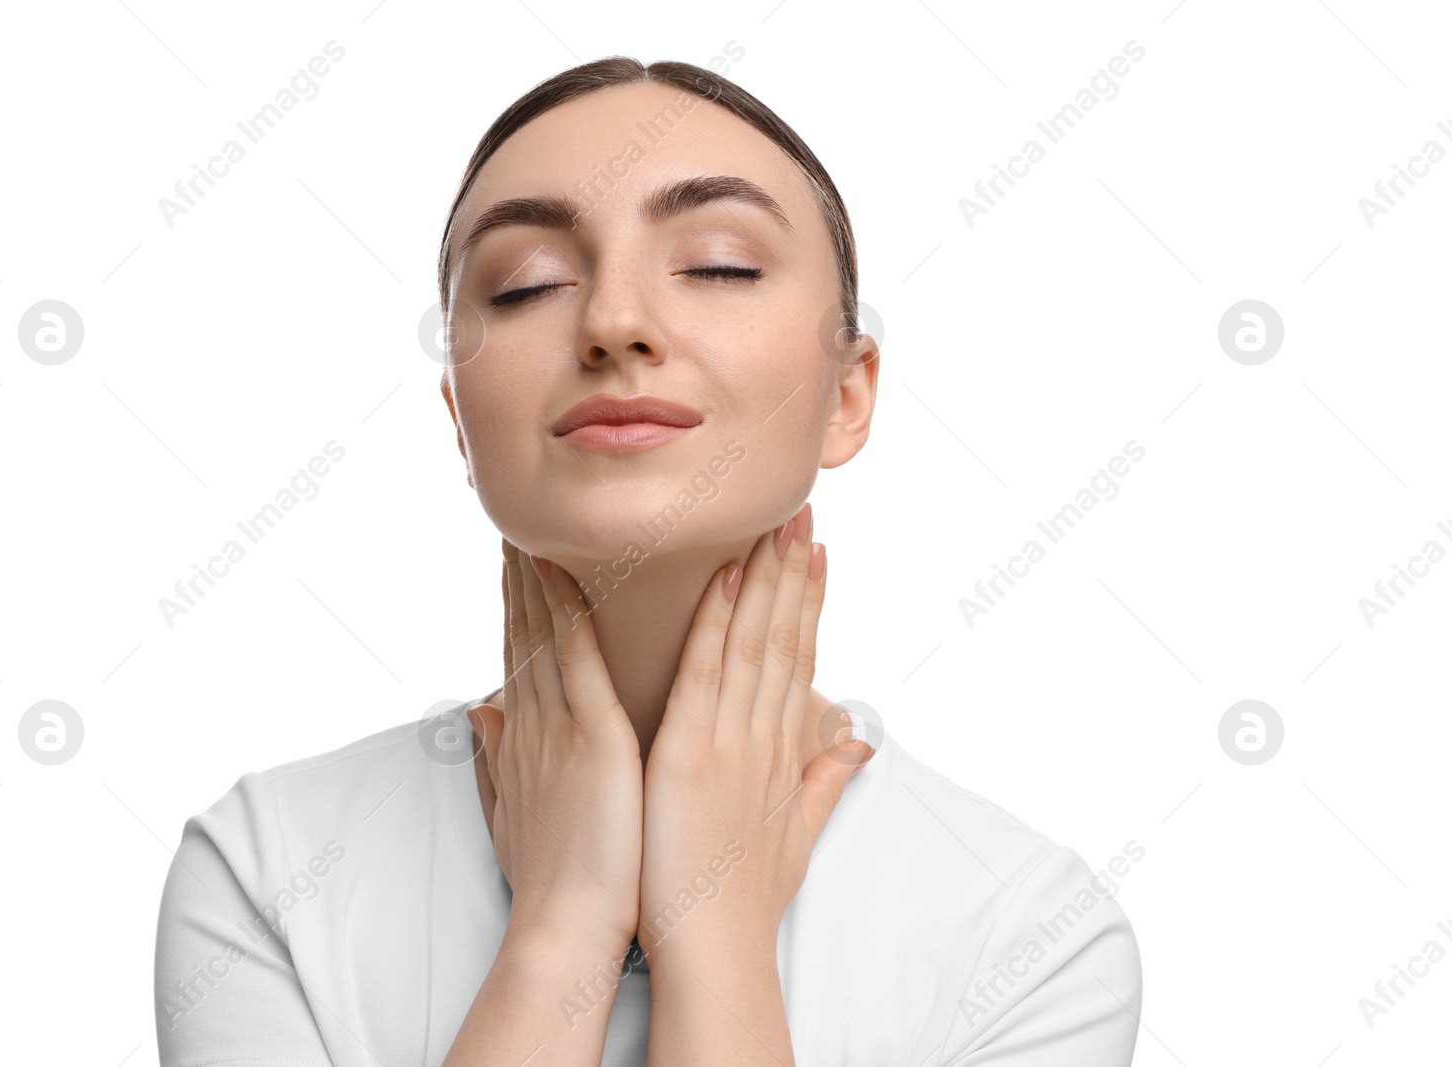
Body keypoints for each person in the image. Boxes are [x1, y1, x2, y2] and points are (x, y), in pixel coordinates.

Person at [153, 55, 1143, 1066]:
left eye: (718, 264)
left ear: (848, 393)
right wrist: (560, 925)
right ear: (460, 421)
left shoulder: (1032, 933)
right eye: (526, 282)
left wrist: (712, 937)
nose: (614, 323)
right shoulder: (268, 869)